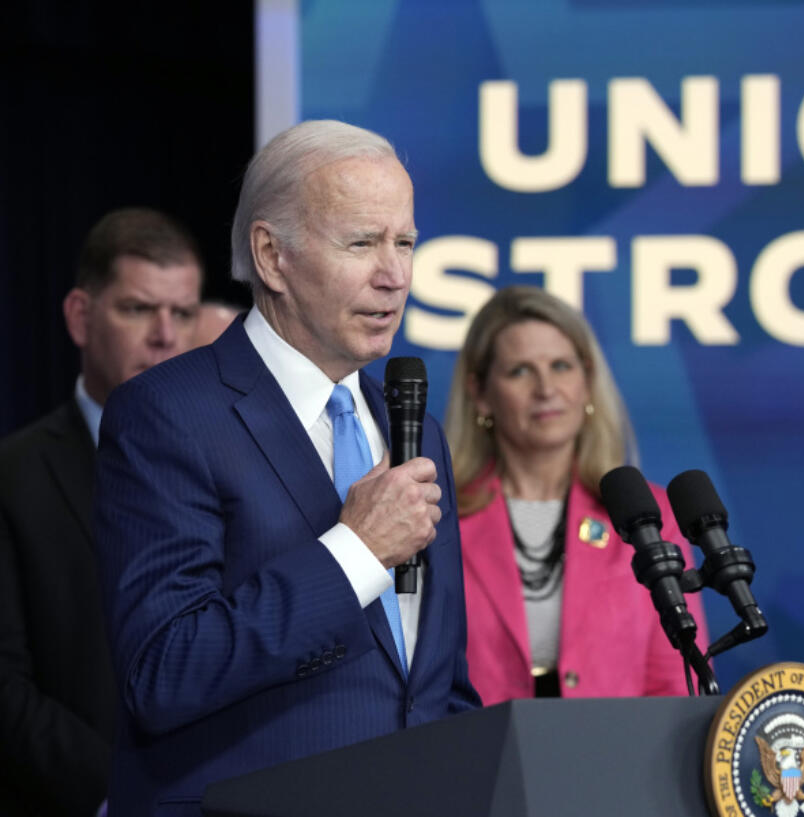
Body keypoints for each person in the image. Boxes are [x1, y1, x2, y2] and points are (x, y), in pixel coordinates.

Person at [92, 120, 481, 815]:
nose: (394, 274)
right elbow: (163, 672)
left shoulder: (410, 428)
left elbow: (434, 680)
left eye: (405, 242)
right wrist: (354, 551)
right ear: (272, 257)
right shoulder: (168, 413)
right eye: (362, 242)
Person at [0, 207, 203, 816]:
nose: (166, 335)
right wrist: (122, 795)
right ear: (81, 318)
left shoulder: (234, 470)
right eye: (139, 309)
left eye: (184, 313)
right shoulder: (14, 476)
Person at [444, 285, 708, 704]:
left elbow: (676, 683)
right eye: (520, 371)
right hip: (476, 761)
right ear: (480, 394)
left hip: (617, 760)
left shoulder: (649, 517)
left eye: (562, 366)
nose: (546, 389)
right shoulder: (437, 517)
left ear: (587, 381)